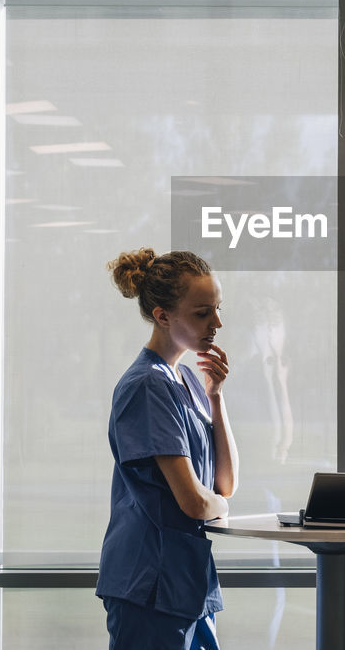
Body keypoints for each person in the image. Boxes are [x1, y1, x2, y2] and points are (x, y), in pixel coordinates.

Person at [96, 248, 239, 650]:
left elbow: (224, 484)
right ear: (162, 316)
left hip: (186, 584)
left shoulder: (187, 382)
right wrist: (221, 507)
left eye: (217, 309)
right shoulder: (147, 386)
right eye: (202, 313)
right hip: (150, 585)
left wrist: (216, 397)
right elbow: (196, 503)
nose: (217, 323)